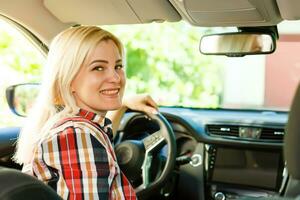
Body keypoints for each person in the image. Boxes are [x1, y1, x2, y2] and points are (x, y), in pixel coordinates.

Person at [13, 26, 158, 199]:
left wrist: (123, 104)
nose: (116, 78)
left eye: (118, 66)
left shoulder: (78, 128)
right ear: (69, 79)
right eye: (98, 68)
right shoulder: (77, 136)